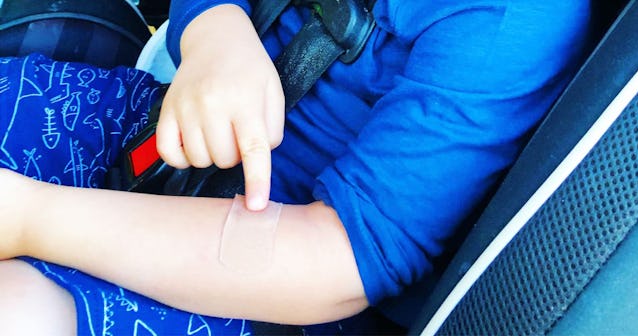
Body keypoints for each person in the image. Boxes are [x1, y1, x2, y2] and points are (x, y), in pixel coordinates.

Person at [0, 0, 594, 334]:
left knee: (19, 311)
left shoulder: (513, 22)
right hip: (166, 120)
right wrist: (216, 34)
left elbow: (343, 262)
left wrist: (34, 220)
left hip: (266, 279)